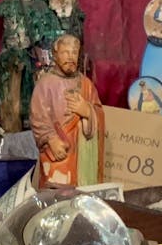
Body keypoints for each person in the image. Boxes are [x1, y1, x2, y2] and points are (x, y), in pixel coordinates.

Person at [30, 35, 106, 186]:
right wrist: (51, 139)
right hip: (58, 153)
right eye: (65, 52)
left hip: (82, 158)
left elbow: (99, 112)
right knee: (56, 194)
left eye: (74, 53)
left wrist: (87, 111)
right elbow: (38, 117)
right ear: (55, 54)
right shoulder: (45, 84)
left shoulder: (86, 84)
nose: (70, 57)